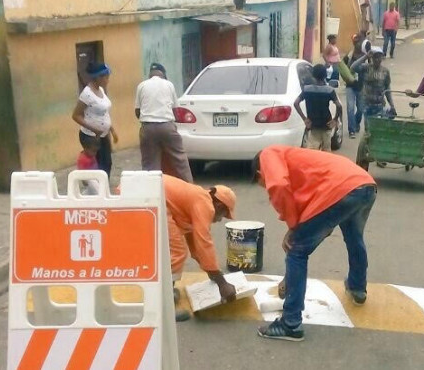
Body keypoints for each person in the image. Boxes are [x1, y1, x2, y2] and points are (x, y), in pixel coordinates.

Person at [253, 145, 377, 341]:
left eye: (263, 184)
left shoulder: (269, 154)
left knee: (296, 251)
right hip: (365, 186)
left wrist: (293, 228)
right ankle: (357, 287)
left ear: (260, 172)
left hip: (342, 190)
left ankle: (290, 324)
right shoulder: (295, 159)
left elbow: (278, 185)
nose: (267, 190)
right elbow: (317, 215)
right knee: (354, 238)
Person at [162, 174, 238, 321]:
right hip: (150, 195)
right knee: (176, 252)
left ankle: (165, 294)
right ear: (219, 205)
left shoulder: (197, 199)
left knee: (167, 250)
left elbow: (195, 244)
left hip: (147, 193)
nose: (220, 219)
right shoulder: (205, 204)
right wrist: (222, 283)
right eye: (223, 214)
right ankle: (165, 309)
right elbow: (204, 242)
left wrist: (212, 272)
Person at [135, 63, 193, 182]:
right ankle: (190, 188)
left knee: (150, 166)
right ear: (164, 74)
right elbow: (176, 111)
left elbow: (137, 111)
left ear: (150, 75)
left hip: (148, 128)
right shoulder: (169, 85)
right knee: (180, 161)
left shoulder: (142, 85)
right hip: (167, 126)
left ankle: (151, 193)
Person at [71, 62, 118, 179]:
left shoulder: (101, 90)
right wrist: (94, 129)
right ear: (98, 77)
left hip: (103, 134)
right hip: (91, 136)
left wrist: (112, 130)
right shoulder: (87, 94)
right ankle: (96, 191)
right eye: (106, 77)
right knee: (98, 167)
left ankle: (103, 190)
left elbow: (104, 112)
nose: (108, 80)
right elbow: (76, 115)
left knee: (107, 163)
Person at [293, 64, 342, 152]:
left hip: (313, 125)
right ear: (325, 75)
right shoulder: (329, 90)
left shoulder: (307, 89)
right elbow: (339, 105)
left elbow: (296, 103)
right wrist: (335, 119)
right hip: (326, 124)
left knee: (312, 151)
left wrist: (304, 119)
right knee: (326, 150)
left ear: (313, 75)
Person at [351, 47, 397, 122]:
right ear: (372, 58)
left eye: (379, 57)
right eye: (375, 57)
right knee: (369, 128)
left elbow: (387, 89)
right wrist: (365, 56)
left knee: (379, 127)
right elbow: (353, 67)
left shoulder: (385, 71)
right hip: (367, 104)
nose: (377, 59)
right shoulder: (366, 68)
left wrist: (392, 105)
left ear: (382, 58)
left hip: (380, 104)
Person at [342, 34, 367, 138]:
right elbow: (342, 68)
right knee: (350, 109)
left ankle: (356, 123)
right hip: (350, 86)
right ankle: (351, 130)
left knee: (360, 109)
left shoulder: (366, 56)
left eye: (359, 43)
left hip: (361, 86)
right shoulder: (349, 56)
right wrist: (346, 78)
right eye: (355, 43)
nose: (357, 44)